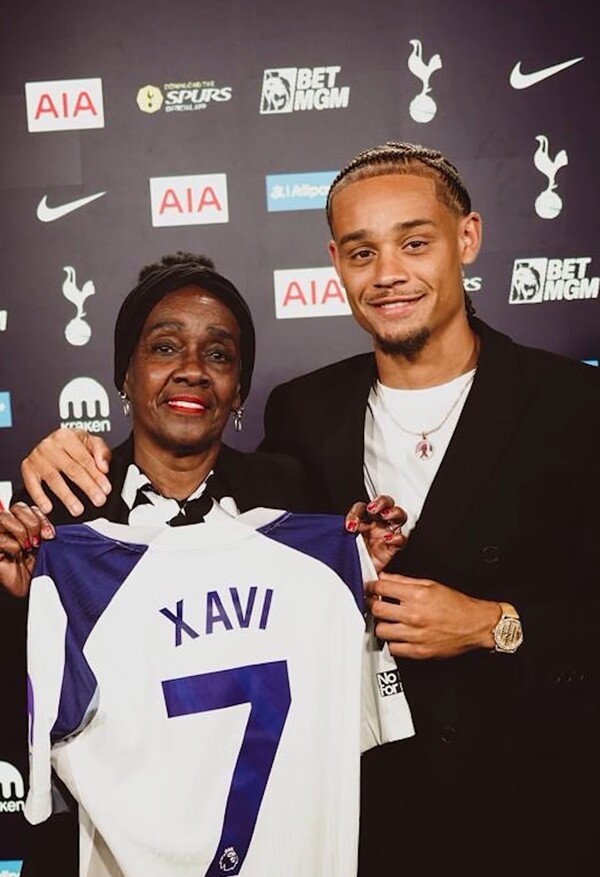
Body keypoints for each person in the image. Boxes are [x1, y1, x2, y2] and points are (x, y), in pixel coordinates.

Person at [13, 144, 600, 875]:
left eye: (415, 242)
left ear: (468, 238)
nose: (388, 273)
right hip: (365, 827)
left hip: (532, 816)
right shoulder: (303, 417)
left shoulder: (576, 405)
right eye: (362, 251)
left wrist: (494, 624)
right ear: (336, 262)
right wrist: (67, 459)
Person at [0, 251, 408, 876]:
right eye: (164, 348)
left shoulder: (298, 503)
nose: (191, 370)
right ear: (125, 374)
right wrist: (19, 601)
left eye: (218, 355)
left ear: (239, 389)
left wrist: (361, 568)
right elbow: (28, 720)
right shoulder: (64, 515)